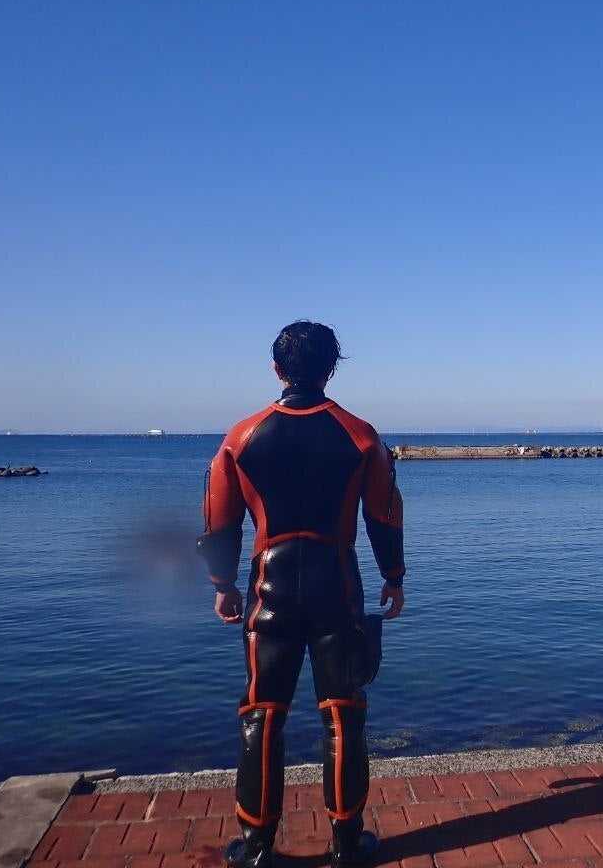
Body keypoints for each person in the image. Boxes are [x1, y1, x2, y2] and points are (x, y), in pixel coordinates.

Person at [197, 321, 405, 868]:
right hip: (337, 586)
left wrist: (223, 585)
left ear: (276, 369)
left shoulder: (242, 436)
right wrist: (394, 576)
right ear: (331, 369)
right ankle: (346, 845)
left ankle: (257, 848)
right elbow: (384, 513)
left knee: (262, 714)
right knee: (343, 713)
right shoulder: (360, 435)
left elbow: (219, 517)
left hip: (270, 588)